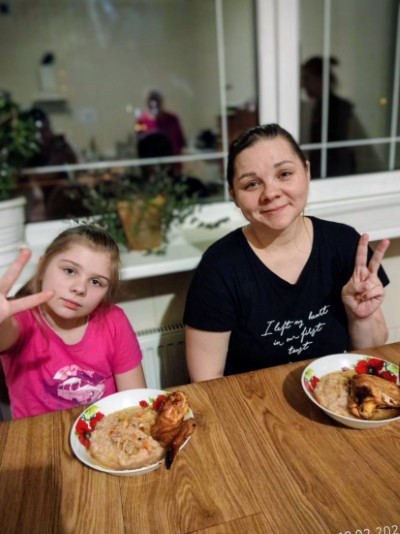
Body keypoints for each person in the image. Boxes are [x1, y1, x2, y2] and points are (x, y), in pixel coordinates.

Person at [183, 123, 390, 381]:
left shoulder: (345, 244)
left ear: (307, 171)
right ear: (233, 195)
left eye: (284, 174)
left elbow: (371, 352)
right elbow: (206, 380)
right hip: (254, 400)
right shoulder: (219, 267)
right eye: (252, 184)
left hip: (333, 392)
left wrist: (361, 318)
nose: (271, 193)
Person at [0, 225, 146, 418]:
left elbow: (135, 403)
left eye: (96, 282)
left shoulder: (114, 321)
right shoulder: (20, 320)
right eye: (70, 271)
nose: (79, 288)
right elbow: (5, 332)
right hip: (40, 434)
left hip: (105, 431)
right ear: (42, 267)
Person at [301, 56, 381, 177]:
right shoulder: (313, 108)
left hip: (336, 175)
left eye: (307, 79)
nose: (304, 85)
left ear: (320, 80)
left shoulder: (339, 110)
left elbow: (363, 150)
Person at [135, 90, 186, 158]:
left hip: (172, 160)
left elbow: (181, 141)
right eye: (151, 101)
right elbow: (139, 141)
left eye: (157, 101)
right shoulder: (141, 120)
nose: (154, 104)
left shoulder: (172, 119)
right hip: (151, 161)